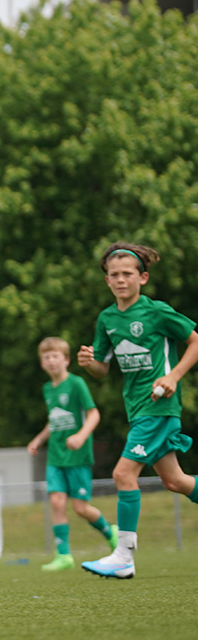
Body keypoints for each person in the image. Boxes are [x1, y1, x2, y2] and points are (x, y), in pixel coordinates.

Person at [77, 241, 198, 579]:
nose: (120, 280)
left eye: (127, 274)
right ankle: (122, 557)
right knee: (175, 481)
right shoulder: (107, 319)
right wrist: (88, 363)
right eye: (114, 275)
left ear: (142, 277)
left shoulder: (157, 312)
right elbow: (102, 368)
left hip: (159, 406)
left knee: (123, 474)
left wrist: (173, 376)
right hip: (137, 409)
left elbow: (195, 341)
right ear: (107, 280)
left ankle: (123, 556)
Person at [26, 336, 117, 571]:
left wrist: (81, 436)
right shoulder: (47, 389)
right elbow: (54, 420)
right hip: (56, 456)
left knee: (80, 508)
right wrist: (38, 439)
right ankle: (64, 555)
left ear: (66, 360)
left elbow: (94, 414)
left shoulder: (76, 384)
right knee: (56, 502)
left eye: (55, 356)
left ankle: (110, 532)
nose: (51, 360)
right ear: (42, 363)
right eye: (46, 357)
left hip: (77, 456)